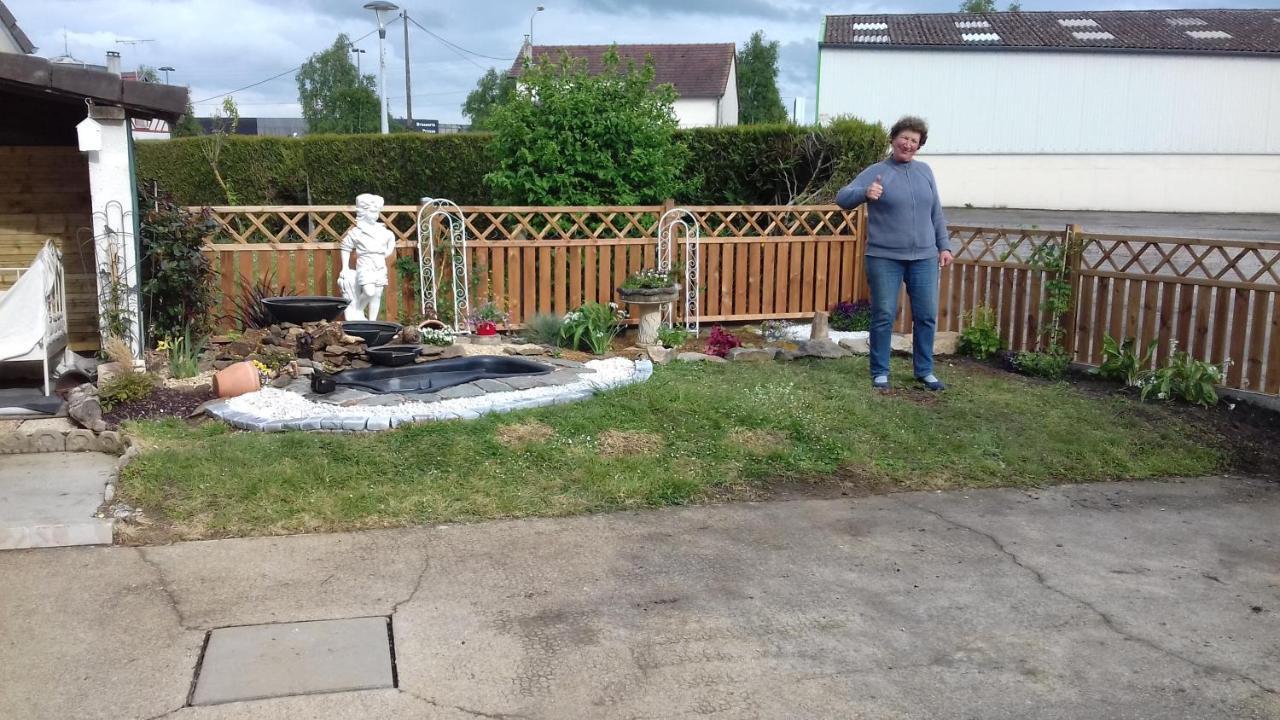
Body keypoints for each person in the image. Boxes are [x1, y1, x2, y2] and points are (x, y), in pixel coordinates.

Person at [836, 116, 953, 391]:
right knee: (884, 314)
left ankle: (924, 371)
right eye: (904, 138)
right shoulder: (878, 171)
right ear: (893, 139)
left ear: (919, 146)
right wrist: (865, 192)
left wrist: (943, 246)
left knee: (925, 315)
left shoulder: (925, 171)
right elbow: (843, 198)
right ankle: (880, 372)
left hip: (924, 257)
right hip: (884, 256)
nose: (908, 144)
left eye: (914, 140)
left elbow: (935, 211)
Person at [338, 193, 397, 321]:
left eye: (376, 212)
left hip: (380, 265)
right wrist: (345, 267)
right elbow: (345, 246)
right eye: (372, 212)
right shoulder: (357, 231)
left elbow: (391, 238)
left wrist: (388, 251)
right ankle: (357, 310)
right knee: (369, 292)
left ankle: (372, 322)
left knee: (377, 295)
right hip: (365, 265)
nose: (375, 215)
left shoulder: (382, 230)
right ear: (363, 212)